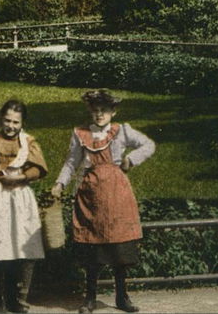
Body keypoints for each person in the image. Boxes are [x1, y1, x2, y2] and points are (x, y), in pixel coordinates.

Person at [48, 89, 155, 314]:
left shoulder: (122, 131)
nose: (99, 115)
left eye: (104, 111)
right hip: (90, 195)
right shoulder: (80, 133)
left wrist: (130, 160)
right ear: (90, 111)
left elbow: (149, 145)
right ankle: (90, 299)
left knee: (119, 247)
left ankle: (121, 297)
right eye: (95, 111)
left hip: (117, 195)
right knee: (92, 248)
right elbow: (71, 162)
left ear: (113, 112)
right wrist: (60, 184)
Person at [0, 98, 47, 313]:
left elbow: (38, 169)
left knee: (21, 246)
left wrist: (22, 176)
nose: (11, 126)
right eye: (7, 121)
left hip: (20, 197)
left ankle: (18, 299)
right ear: (1, 119)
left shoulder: (27, 142)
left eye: (15, 122)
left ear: (22, 123)